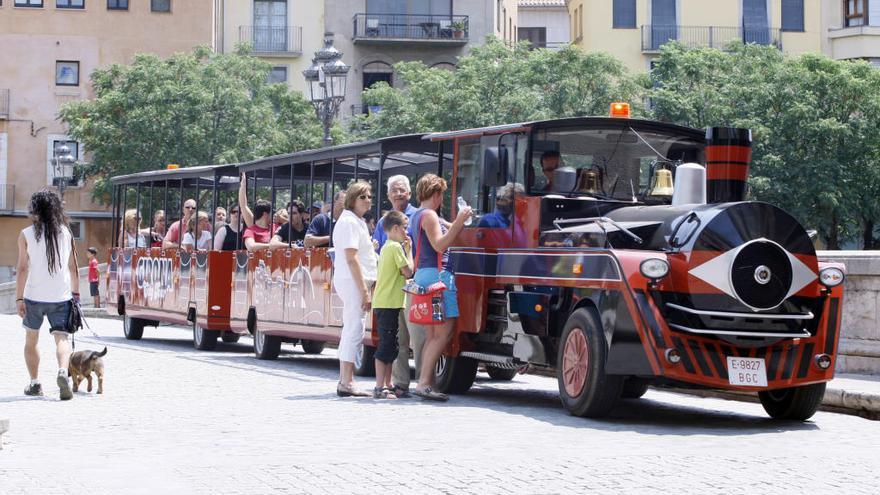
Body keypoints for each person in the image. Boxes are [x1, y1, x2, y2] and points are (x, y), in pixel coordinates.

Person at [409, 173, 472, 401]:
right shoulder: (430, 216)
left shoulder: (417, 215)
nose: (441, 199)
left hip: (425, 276)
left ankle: (426, 381)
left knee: (432, 333)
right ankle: (424, 382)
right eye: (441, 195)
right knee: (443, 331)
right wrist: (457, 223)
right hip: (439, 279)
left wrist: (457, 223)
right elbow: (440, 245)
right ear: (435, 194)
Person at [16, 189, 80, 400]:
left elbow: (22, 268)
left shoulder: (25, 234)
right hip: (60, 296)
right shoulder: (66, 232)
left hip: (34, 295)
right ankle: (63, 371)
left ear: (34, 210)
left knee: (31, 339)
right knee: (61, 338)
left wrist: (19, 298)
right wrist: (76, 294)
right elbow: (73, 267)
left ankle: (35, 383)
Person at [372, 175, 423, 397]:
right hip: (392, 288)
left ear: (410, 194)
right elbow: (375, 250)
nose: (399, 193)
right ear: (388, 195)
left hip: (411, 285)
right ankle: (399, 382)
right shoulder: (386, 221)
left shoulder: (418, 215)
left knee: (417, 336)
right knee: (396, 339)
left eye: (402, 190)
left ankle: (423, 380)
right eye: (394, 190)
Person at [332, 181, 378, 397]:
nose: (368, 199)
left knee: (351, 328)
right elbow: (352, 258)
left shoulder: (356, 221)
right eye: (363, 196)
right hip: (353, 282)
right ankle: (347, 381)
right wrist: (365, 291)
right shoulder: (350, 221)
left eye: (369, 195)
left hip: (354, 280)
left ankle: (345, 379)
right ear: (352, 199)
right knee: (354, 329)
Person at [372, 210, 414, 399]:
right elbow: (408, 272)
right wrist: (410, 250)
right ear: (395, 228)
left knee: (391, 346)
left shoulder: (387, 247)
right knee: (386, 346)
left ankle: (387, 384)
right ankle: (380, 387)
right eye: (405, 228)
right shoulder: (396, 247)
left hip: (388, 302)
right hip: (388, 303)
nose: (407, 232)